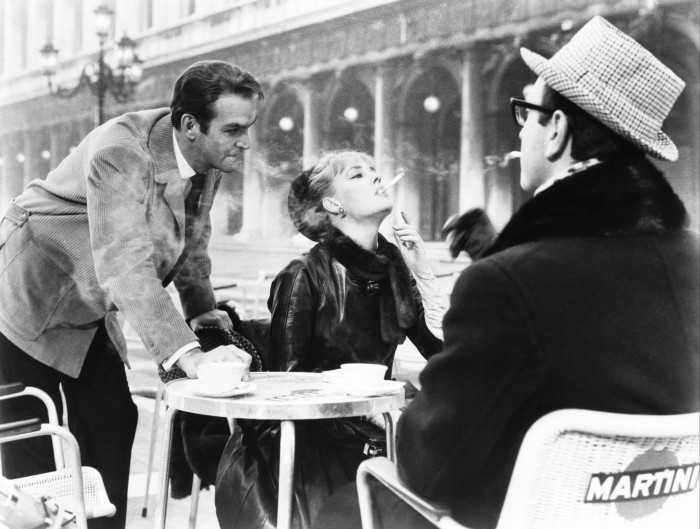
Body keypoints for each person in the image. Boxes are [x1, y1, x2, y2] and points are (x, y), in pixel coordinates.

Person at [313, 16, 699, 529]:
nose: (520, 128)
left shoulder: (504, 284)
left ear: (557, 130)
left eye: (527, 113)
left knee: (336, 510)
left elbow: (431, 468)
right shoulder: (690, 260)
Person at [0, 60, 262, 528]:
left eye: (249, 127)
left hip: (88, 303)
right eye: (234, 129)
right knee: (32, 442)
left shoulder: (207, 158)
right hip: (26, 298)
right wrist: (188, 355)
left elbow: (193, 240)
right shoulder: (121, 151)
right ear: (189, 126)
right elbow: (124, 262)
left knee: (114, 423)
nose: (245, 141)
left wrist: (202, 313)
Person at [215, 150, 445, 528]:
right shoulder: (303, 275)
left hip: (377, 431)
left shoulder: (393, 269)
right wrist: (369, 420)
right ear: (333, 204)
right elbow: (284, 391)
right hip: (312, 445)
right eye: (358, 174)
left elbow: (441, 354)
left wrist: (422, 271)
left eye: (374, 170)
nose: (375, 177)